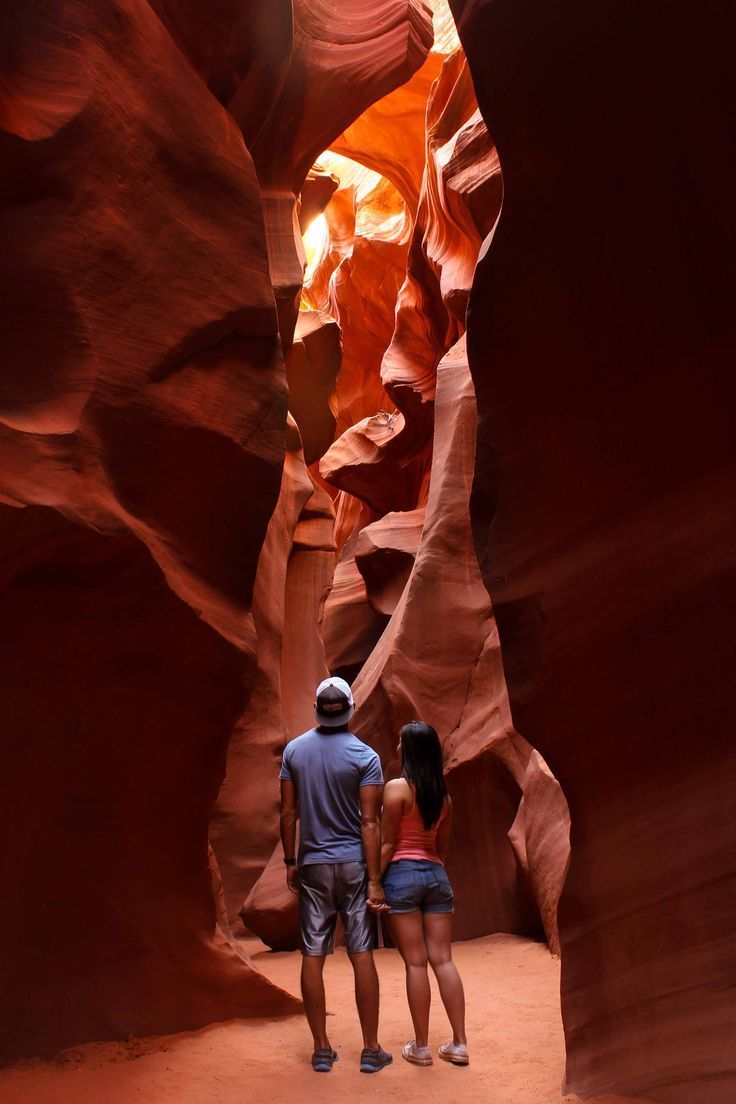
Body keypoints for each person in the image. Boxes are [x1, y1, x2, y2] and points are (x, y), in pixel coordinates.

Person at [279, 676, 392, 1074]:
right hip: (354, 867)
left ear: (317, 709)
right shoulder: (366, 757)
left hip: (311, 865)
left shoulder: (294, 751)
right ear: (350, 709)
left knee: (313, 953)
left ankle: (321, 1049)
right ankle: (371, 1049)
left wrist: (291, 863)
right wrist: (375, 879)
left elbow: (289, 813)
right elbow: (369, 822)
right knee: (361, 953)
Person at [380, 720, 469, 1067]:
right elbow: (441, 849)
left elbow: (388, 842)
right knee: (443, 960)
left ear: (411, 749)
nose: (399, 748)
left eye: (402, 743)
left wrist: (374, 880)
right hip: (435, 876)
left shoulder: (396, 789)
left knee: (416, 963)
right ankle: (459, 1043)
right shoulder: (444, 797)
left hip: (401, 876)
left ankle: (421, 1047)